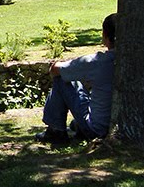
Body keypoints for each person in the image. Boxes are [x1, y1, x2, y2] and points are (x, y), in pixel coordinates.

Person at [36, 13, 117, 143]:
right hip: (116, 125)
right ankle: (74, 126)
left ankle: (55, 130)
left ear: (105, 36)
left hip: (96, 129)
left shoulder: (98, 61)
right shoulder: (132, 62)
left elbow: (56, 70)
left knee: (62, 79)